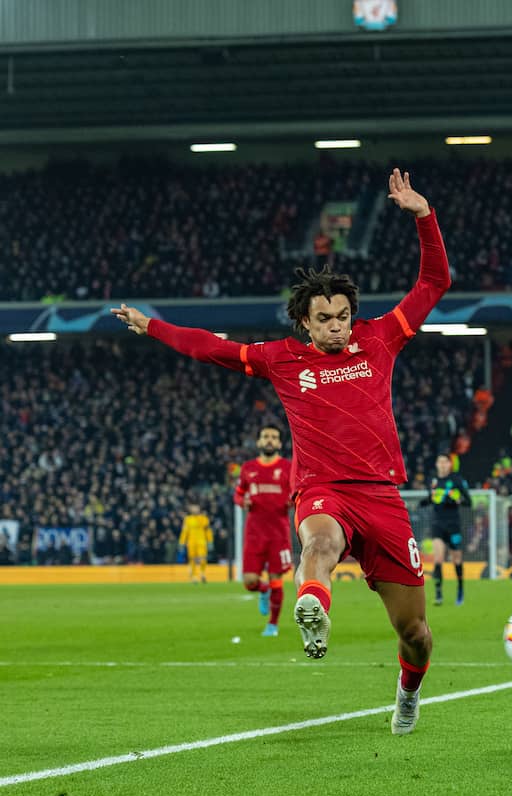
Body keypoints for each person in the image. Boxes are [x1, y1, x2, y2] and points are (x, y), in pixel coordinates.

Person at [112, 169, 448, 736]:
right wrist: (155, 328)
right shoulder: (281, 358)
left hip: (383, 495)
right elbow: (212, 347)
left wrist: (423, 216)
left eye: (343, 316)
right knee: (319, 540)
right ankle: (313, 605)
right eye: (325, 319)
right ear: (304, 321)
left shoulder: (381, 336)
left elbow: (434, 282)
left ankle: (407, 694)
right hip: (323, 489)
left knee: (415, 633)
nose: (338, 327)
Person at [234, 424, 293, 636]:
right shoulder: (248, 468)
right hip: (254, 533)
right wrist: (243, 501)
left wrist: (292, 500)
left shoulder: (288, 467)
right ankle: (263, 590)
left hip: (278, 533)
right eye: (265, 436)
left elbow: (298, 494)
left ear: (279, 443)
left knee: (277, 579)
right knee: (249, 582)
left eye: (273, 437)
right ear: (259, 442)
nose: (269, 440)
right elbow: (238, 494)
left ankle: (272, 624)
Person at [422, 453, 472, 606]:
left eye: (445, 462)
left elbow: (468, 502)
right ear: (437, 464)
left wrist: (458, 499)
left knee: (456, 559)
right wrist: (427, 500)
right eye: (440, 461)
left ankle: (460, 589)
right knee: (438, 559)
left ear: (449, 464)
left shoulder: (457, 480)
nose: (442, 464)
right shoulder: (432, 480)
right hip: (437, 523)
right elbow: (430, 499)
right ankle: (438, 594)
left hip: (453, 524)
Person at [178, 502, 213, 584]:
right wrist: (182, 542)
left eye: (196, 507)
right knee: (192, 559)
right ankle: (194, 576)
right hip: (191, 542)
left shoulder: (204, 519)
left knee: (203, 558)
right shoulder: (187, 519)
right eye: (193, 508)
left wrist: (210, 541)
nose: (195, 509)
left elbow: (208, 531)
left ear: (199, 508)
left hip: (202, 541)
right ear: (190, 509)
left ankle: (203, 574)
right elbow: (185, 532)